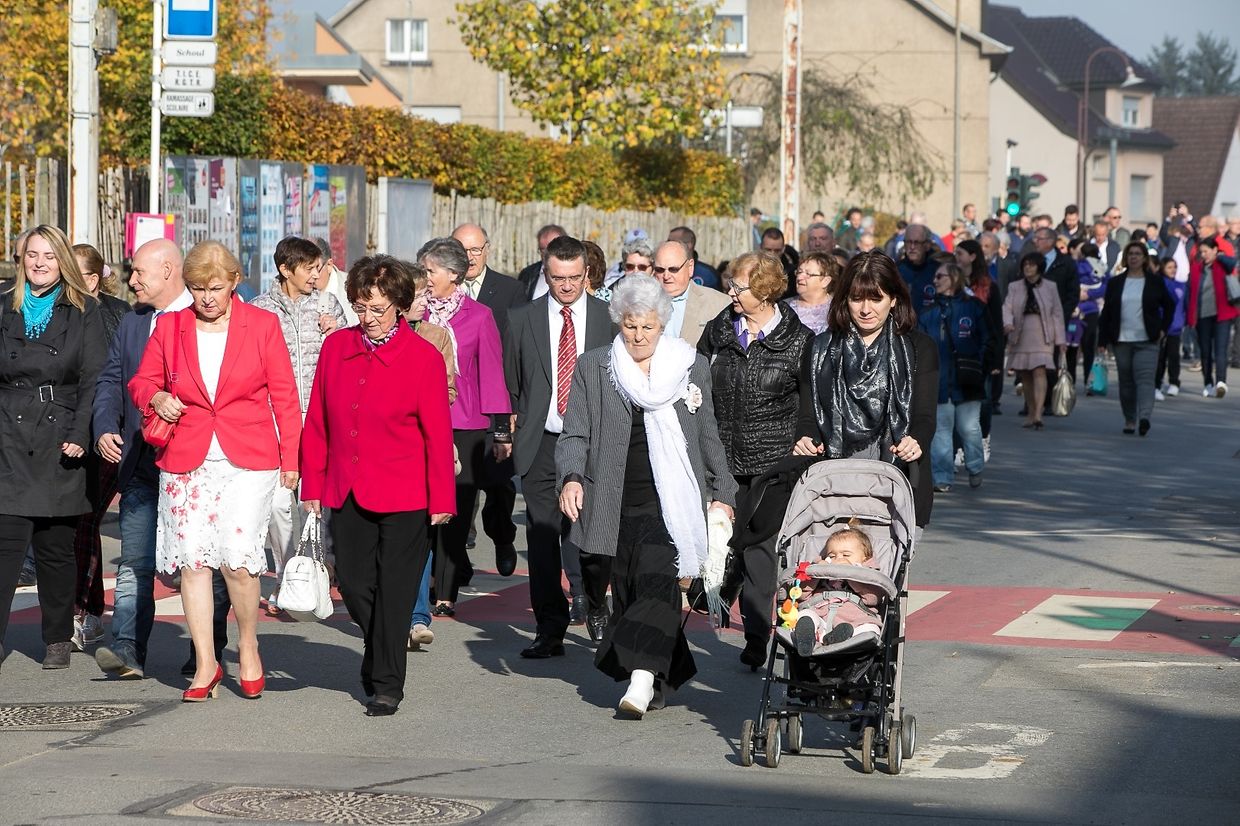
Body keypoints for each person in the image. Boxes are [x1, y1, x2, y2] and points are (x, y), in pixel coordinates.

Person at [128, 241, 302, 701]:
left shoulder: (262, 325)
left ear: (234, 283)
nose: (206, 297)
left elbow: (284, 395)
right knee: (193, 562)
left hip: (249, 458)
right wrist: (156, 397)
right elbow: (142, 380)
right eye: (198, 288)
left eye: (216, 288)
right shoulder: (170, 327)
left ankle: (247, 644)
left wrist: (293, 460)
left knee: (238, 561)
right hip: (187, 457)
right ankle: (205, 662)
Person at [557, 274, 737, 717]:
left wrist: (724, 490)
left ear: (663, 326)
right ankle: (661, 673)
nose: (639, 336)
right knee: (630, 588)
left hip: (672, 497)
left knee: (658, 580)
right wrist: (572, 477)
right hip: (613, 497)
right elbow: (575, 431)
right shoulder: (594, 366)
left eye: (648, 327)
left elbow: (708, 434)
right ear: (619, 322)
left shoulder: (688, 365)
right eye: (630, 326)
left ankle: (639, 678)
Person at [300, 255, 454, 716]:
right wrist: (312, 483)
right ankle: (381, 649)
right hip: (347, 489)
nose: (366, 319)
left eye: (376, 310)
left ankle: (387, 683)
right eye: (360, 308)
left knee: (396, 589)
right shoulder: (337, 348)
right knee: (352, 581)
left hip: (407, 494)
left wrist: (442, 498)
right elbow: (318, 423)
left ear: (401, 307)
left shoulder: (422, 357)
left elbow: (437, 434)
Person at [697, 251, 812, 668]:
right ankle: (726, 593)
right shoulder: (721, 330)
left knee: (759, 548)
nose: (731, 293)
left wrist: (806, 436)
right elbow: (696, 375)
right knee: (729, 541)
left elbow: (809, 402)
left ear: (764, 292)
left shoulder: (799, 340)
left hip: (772, 461)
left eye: (739, 287)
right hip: (724, 456)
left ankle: (756, 632)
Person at [503, 236, 615, 657]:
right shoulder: (522, 320)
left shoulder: (610, 320)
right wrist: (509, 431)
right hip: (542, 443)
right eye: (557, 278)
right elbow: (512, 384)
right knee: (544, 536)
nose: (566, 286)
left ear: (587, 274)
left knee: (593, 533)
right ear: (544, 272)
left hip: (594, 444)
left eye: (573, 278)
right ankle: (549, 627)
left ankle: (597, 598)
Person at [93, 239, 200, 680]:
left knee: (198, 566)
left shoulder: (206, 317)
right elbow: (112, 376)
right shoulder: (133, 322)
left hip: (194, 468)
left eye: (139, 271)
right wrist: (104, 425)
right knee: (135, 561)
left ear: (169, 270)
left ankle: (205, 649)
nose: (131, 279)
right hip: (140, 463)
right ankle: (127, 648)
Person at [0, 225, 106, 670]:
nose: (39, 263)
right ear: (22, 260)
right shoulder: (5, 306)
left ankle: (58, 638)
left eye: (48, 256)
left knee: (55, 547)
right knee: (5, 544)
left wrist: (81, 434)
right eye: (31, 255)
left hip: (61, 436)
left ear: (62, 260)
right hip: (7, 435)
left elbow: (93, 380)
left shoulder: (85, 311)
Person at [792, 251, 939, 530]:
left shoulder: (921, 348)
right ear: (844, 300)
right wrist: (805, 437)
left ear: (893, 299)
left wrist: (916, 440)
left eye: (876, 298)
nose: (865, 309)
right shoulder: (819, 348)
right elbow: (808, 415)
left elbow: (924, 415)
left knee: (883, 569)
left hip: (896, 477)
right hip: (832, 481)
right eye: (856, 298)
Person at [418, 238, 510, 615]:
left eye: (430, 271)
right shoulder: (415, 313)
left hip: (467, 423)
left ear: (453, 275)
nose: (424, 278)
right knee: (424, 504)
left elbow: (491, 372)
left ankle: (448, 587)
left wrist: (500, 428)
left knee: (456, 507)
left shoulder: (480, 315)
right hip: (422, 418)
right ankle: (426, 580)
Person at [67, 244, 132, 651]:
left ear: (92, 279)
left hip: (111, 433)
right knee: (74, 523)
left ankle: (85, 613)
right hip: (68, 432)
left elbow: (119, 376)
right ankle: (85, 610)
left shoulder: (119, 314)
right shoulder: (55, 312)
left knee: (88, 519)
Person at [451, 223, 523, 579]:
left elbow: (518, 350)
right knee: (460, 484)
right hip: (458, 403)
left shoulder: (511, 290)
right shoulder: (441, 293)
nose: (470, 258)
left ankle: (503, 536)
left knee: (497, 483)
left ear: (488, 250)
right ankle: (458, 558)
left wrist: (511, 409)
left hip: (496, 401)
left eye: (476, 250)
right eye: (462, 251)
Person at [402, 263, 457, 652]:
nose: (428, 301)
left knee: (420, 531)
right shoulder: (361, 337)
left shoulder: (437, 337)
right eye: (421, 295)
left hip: (422, 443)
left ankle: (418, 616)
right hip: (380, 449)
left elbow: (449, 390)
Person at [920, 262, 989, 492]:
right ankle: (942, 477)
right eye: (935, 276)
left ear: (954, 278)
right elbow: (920, 345)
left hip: (967, 379)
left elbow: (986, 339)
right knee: (941, 430)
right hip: (939, 381)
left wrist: (980, 364)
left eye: (940, 276)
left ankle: (975, 466)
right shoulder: (929, 313)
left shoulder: (974, 307)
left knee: (969, 428)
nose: (935, 280)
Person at [1097, 242, 1176, 435]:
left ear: (1144, 258)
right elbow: (1107, 313)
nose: (1133, 257)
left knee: (1145, 380)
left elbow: (1170, 305)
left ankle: (1145, 418)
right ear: (1126, 258)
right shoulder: (1116, 283)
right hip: (1122, 340)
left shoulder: (1155, 281)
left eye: (1137, 254)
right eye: (1130, 254)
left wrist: (1163, 329)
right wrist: (1102, 341)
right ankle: (1130, 419)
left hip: (1147, 339)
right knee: (1126, 382)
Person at [788, 521, 884, 656]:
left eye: (846, 555)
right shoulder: (821, 571)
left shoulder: (869, 573)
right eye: (832, 556)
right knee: (806, 615)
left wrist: (850, 573)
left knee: (870, 630)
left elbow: (872, 599)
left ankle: (840, 638)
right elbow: (803, 596)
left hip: (856, 621)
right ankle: (807, 638)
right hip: (822, 616)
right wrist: (818, 572)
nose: (838, 559)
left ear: (865, 557)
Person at [1002, 252, 1066, 430]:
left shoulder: (1050, 286)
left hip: (1043, 333)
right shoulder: (1015, 286)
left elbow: (1057, 313)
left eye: (1031, 264)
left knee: (1039, 371)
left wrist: (1061, 340)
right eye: (1025, 265)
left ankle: (1038, 413)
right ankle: (1031, 411)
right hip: (1020, 333)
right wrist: (1007, 323)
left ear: (1039, 267)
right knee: (1025, 374)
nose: (1028, 268)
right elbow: (1006, 307)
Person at [653, 240, 730, 347]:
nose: (666, 276)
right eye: (660, 270)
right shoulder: (642, 301)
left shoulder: (719, 304)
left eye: (673, 269)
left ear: (690, 267)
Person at [1185, 236, 1236, 398]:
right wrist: (1189, 316)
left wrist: (1219, 256)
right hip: (1201, 315)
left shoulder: (1222, 265)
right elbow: (1189, 293)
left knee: (1220, 349)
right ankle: (1208, 382)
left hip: (1222, 314)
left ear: (1215, 250)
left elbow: (1233, 263)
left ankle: (1221, 382)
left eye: (1207, 251)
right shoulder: (1196, 269)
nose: (1204, 255)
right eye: (1202, 252)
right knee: (1205, 351)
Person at [1068, 241, 1108, 392]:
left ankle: (1070, 380)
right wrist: (1090, 294)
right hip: (1092, 310)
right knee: (1089, 347)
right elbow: (1106, 287)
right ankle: (1088, 381)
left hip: (1075, 311)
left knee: (1072, 347)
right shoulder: (1102, 267)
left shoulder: (1075, 266)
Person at [1155, 257, 1187, 400]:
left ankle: (1174, 382)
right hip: (1161, 326)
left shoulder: (1181, 285)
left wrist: (1184, 320)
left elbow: (1185, 305)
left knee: (1173, 356)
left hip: (1175, 327)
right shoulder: (1159, 283)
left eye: (1174, 267)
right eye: (1169, 267)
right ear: (1162, 268)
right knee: (1160, 357)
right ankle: (1157, 383)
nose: (1173, 270)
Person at [786, 251, 838, 335]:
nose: (799, 277)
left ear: (825, 281)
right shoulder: (786, 308)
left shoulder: (837, 309)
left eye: (808, 274)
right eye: (799, 272)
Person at [313, 239, 359, 327]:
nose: (311, 275)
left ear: (329, 265)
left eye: (316, 269)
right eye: (306, 269)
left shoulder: (354, 287)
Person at [897, 224, 938, 317]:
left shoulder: (938, 270)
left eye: (917, 242)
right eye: (908, 242)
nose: (912, 247)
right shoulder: (896, 270)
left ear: (927, 245)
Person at [518, 224, 566, 301]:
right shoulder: (528, 274)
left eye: (551, 248)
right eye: (542, 249)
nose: (546, 253)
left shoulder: (577, 274)